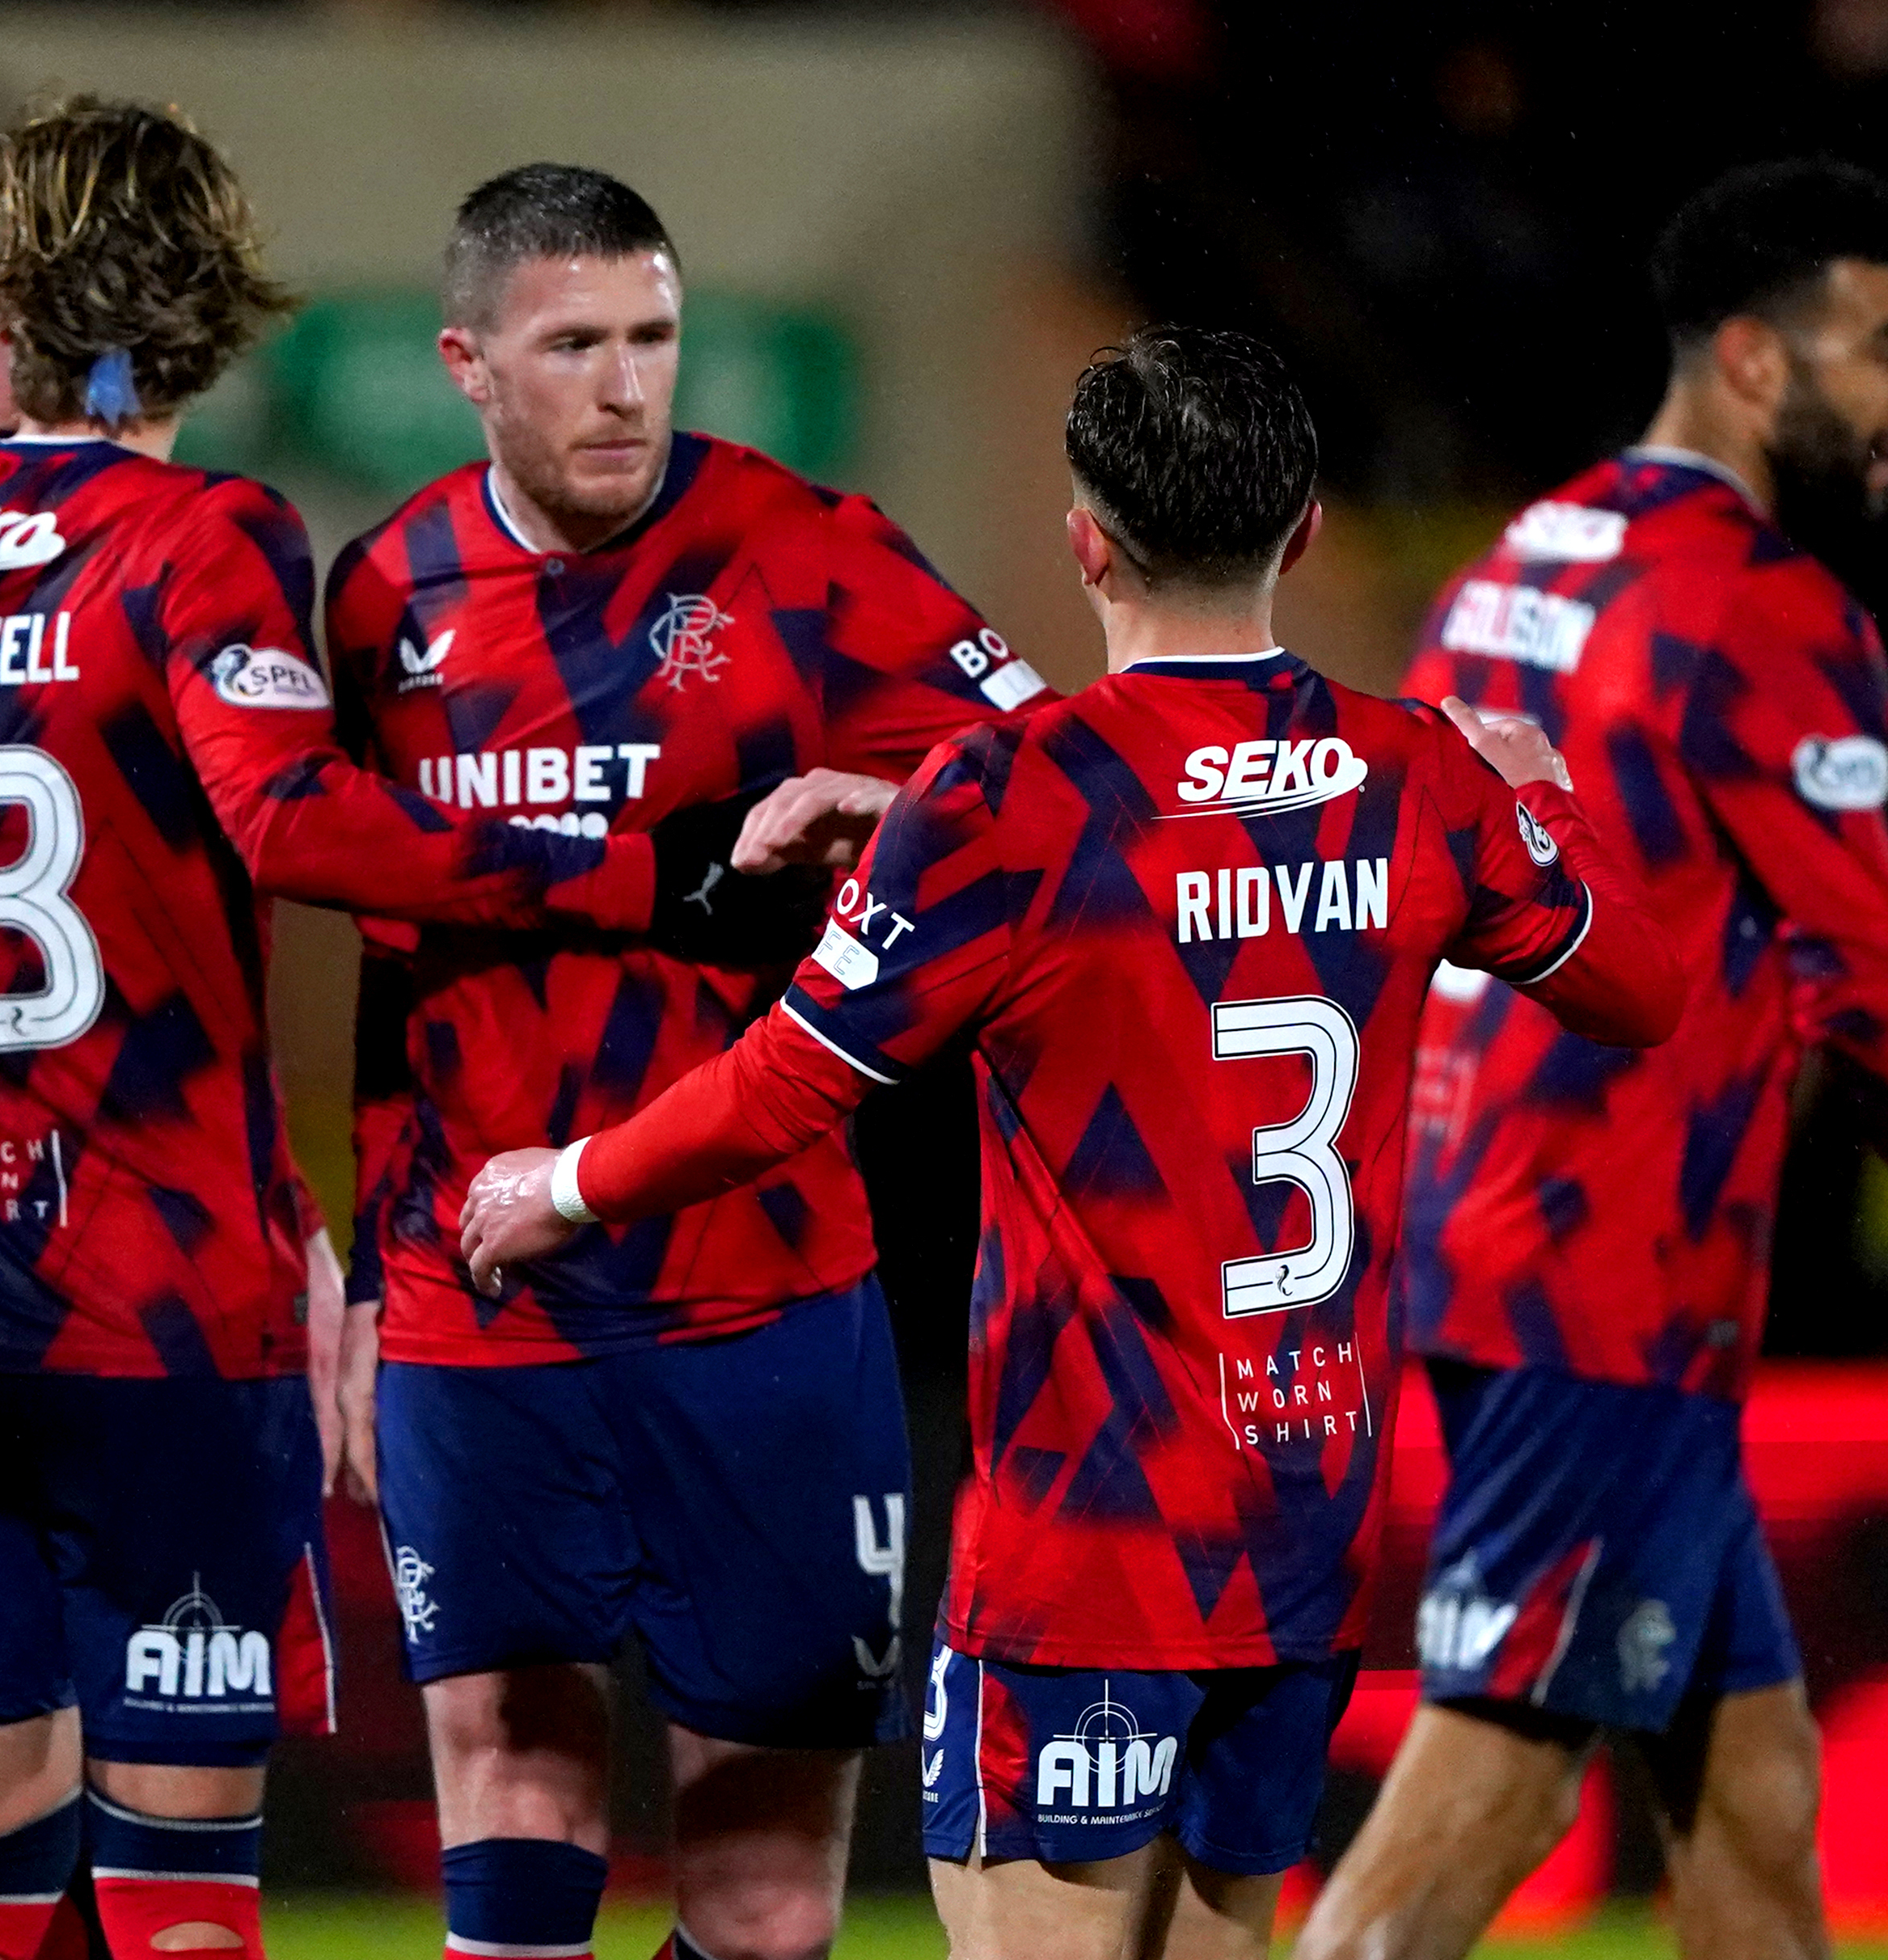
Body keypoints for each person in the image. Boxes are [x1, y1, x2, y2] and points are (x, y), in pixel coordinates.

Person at [0, 99, 762, 1960]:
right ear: (199, 300)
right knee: (179, 1902)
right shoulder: (200, 534)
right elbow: (293, 824)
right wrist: (634, 870)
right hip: (157, 1305)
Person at [461, 325, 1686, 1960]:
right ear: (1305, 528)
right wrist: (1540, 796)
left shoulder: (1008, 800)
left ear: (1082, 540)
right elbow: (1637, 991)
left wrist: (568, 1182)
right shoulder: (1418, 779)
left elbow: (785, 1086)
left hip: (1087, 1544)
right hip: (1302, 1527)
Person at [321, 162, 1050, 1960]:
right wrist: (355, 1264)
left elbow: (1056, 794)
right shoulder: (378, 601)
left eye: (652, 337)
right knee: (517, 1812)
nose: (626, 384)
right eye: (573, 344)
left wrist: (896, 802)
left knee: (767, 1903)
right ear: (467, 365)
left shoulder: (809, 551)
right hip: (478, 1294)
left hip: (763, 1287)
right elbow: (379, 949)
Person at [1295, 158, 1888, 1960]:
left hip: (1476, 1223)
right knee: (1495, 1778)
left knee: (1754, 1803)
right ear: (1753, 362)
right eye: (1873, 347)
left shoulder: (1523, 562)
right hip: (1606, 1275)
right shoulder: (1766, 612)